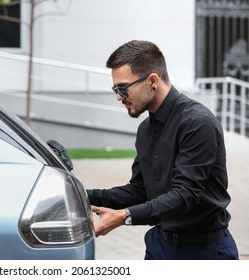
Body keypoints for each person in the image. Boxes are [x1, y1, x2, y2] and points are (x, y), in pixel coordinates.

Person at [87, 40, 239, 260]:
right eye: (115, 89)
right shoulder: (145, 129)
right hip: (160, 246)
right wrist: (85, 196)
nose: (118, 97)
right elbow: (140, 190)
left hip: (204, 252)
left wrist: (125, 216)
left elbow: (185, 194)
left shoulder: (197, 123)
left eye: (123, 88)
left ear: (152, 81)